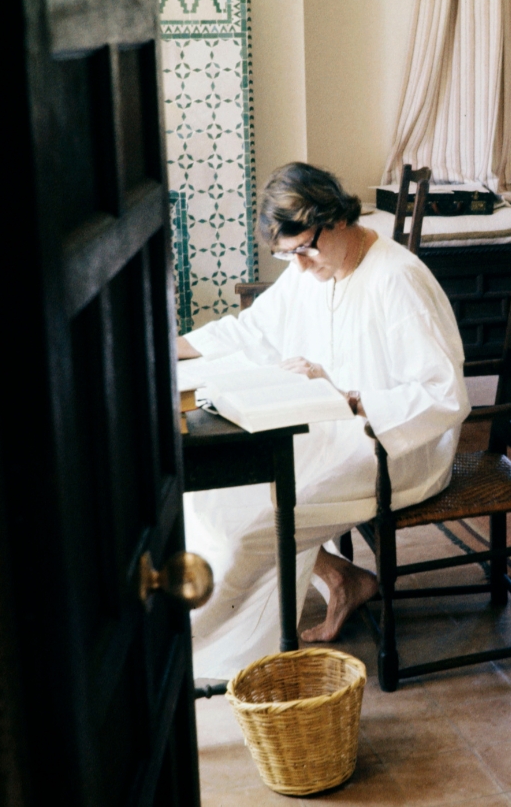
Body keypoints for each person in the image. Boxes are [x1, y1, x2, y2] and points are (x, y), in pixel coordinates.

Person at [178, 162, 470, 679]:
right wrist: (172, 348)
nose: (299, 267)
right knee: (215, 495)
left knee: (253, 526)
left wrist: (347, 397)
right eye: (287, 255)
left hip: (396, 449)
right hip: (332, 432)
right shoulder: (313, 267)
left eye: (304, 250)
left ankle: (198, 656)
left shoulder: (397, 278)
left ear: (335, 219)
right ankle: (342, 578)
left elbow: (444, 394)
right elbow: (253, 330)